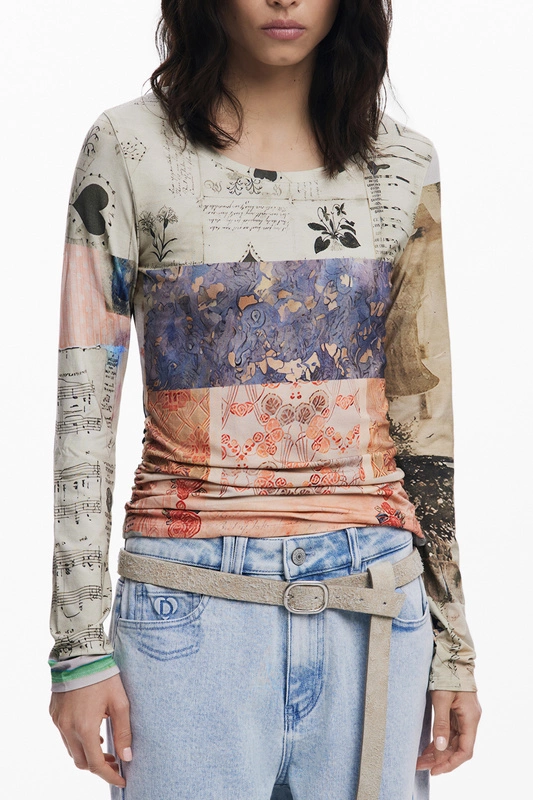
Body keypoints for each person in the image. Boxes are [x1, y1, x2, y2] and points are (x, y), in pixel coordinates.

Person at [48, 1, 481, 798]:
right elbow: (84, 407)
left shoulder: (401, 164)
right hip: (188, 602)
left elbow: (422, 417)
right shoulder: (129, 147)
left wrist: (453, 647)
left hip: (374, 599)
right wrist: (77, 648)